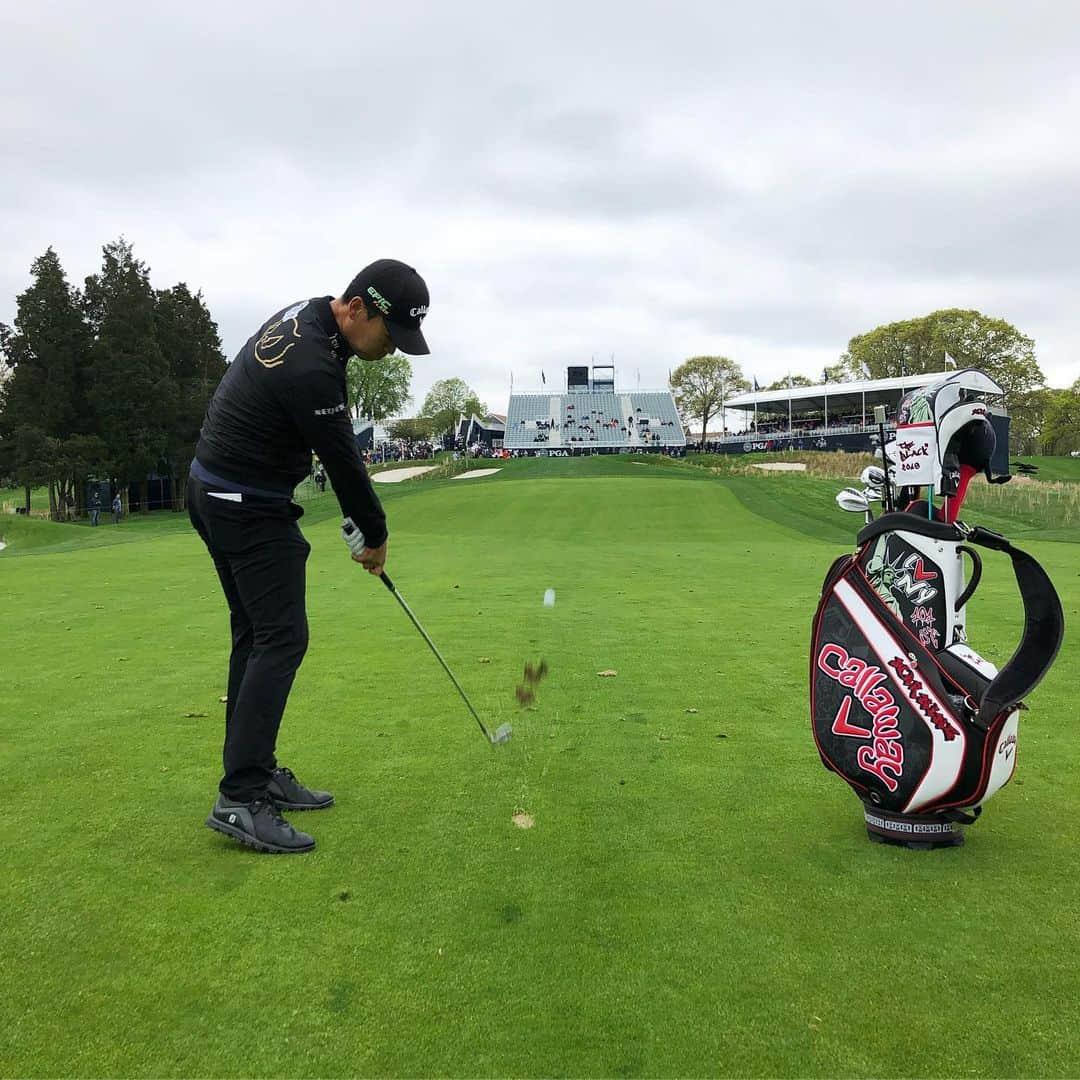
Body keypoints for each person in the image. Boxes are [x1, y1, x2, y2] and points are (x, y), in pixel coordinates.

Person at [188, 259, 430, 855]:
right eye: (389, 335)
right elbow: (343, 461)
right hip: (244, 502)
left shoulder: (315, 318)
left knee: (255, 635)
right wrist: (374, 535)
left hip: (218, 490)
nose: (392, 350)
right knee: (282, 638)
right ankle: (241, 798)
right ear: (357, 310)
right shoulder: (312, 364)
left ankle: (253, 770)